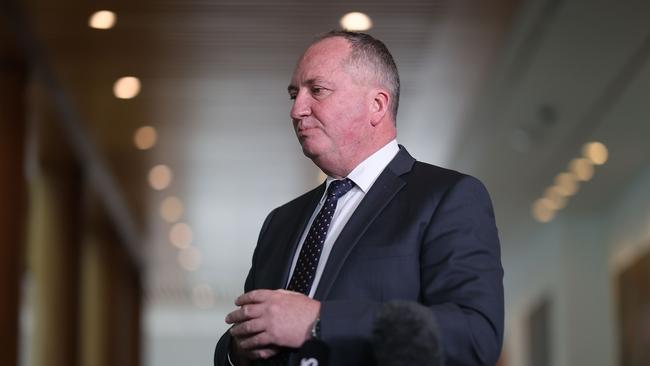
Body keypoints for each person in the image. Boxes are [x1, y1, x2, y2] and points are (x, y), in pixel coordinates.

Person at [214, 30, 503, 366]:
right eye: (294, 94)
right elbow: (241, 340)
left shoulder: (448, 199)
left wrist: (319, 322)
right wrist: (238, 351)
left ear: (376, 105)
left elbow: (474, 336)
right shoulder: (280, 222)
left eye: (316, 90)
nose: (296, 110)